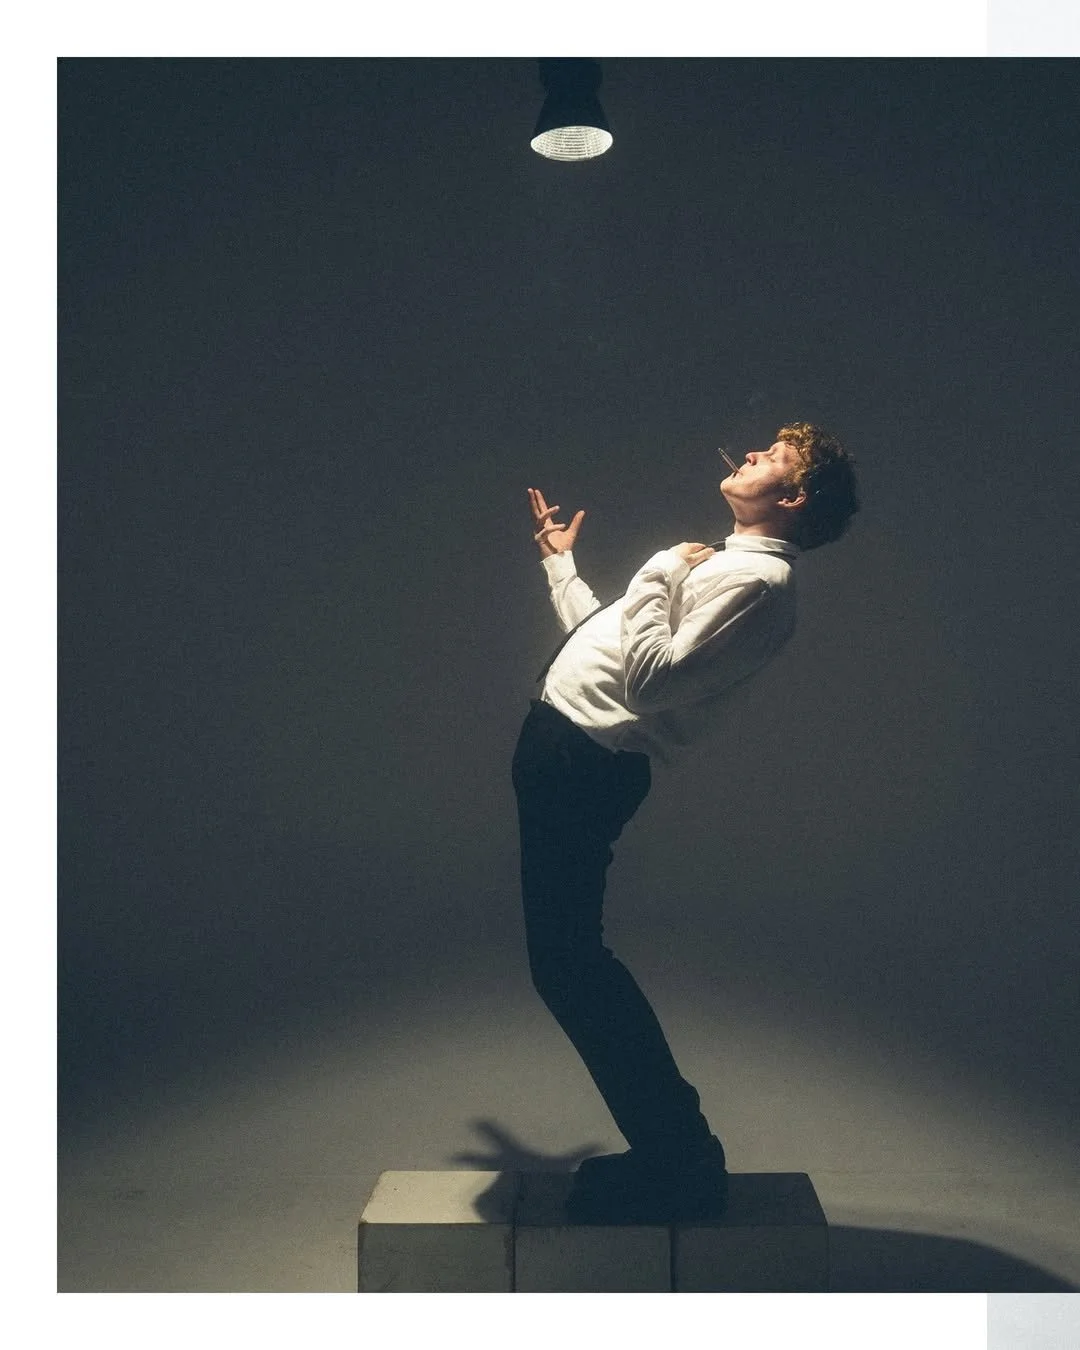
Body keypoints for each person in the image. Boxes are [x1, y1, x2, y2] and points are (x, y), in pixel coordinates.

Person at [511, 421, 859, 1223]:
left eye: (772, 458)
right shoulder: (727, 566)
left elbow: (646, 683)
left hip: (583, 768)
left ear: (795, 496)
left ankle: (681, 1157)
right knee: (569, 965)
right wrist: (560, 563)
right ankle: (675, 1153)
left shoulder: (755, 586)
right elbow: (607, 641)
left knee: (570, 967)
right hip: (569, 758)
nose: (750, 456)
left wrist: (658, 567)